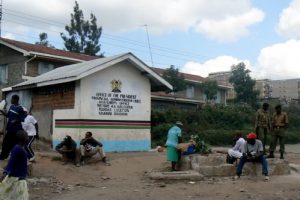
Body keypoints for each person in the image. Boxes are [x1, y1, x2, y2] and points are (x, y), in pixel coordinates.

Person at [0, 130, 29, 200]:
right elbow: (11, 162)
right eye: (26, 136)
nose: (28, 137)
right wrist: (5, 173)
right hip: (17, 179)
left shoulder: (20, 148)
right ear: (23, 138)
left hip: (19, 178)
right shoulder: (17, 149)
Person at [0, 95, 27, 160]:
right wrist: (1, 110)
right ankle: (3, 156)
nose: (11, 100)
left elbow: (23, 118)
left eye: (12, 99)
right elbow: (8, 115)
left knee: (14, 144)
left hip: (16, 130)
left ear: (15, 100)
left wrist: (16, 120)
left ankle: (14, 157)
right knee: (6, 143)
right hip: (10, 129)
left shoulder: (20, 108)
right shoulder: (11, 107)